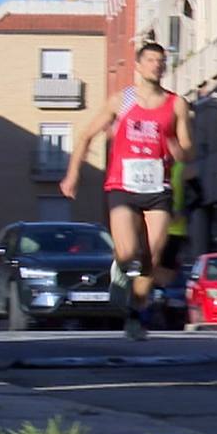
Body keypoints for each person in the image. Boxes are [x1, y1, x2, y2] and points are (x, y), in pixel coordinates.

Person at [63, 42, 194, 340]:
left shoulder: (176, 104)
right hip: (122, 186)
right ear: (138, 65)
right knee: (127, 252)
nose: (156, 65)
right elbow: (86, 135)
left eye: (161, 61)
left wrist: (177, 148)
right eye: (150, 60)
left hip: (157, 188)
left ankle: (135, 313)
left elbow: (189, 150)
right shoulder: (121, 101)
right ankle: (120, 267)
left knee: (152, 257)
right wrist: (73, 174)